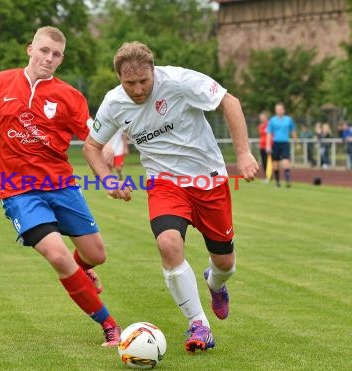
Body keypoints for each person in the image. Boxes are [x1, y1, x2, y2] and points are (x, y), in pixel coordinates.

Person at [0, 26, 121, 347]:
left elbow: (96, 140)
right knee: (57, 255)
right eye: (43, 51)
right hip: (17, 189)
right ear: (30, 49)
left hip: (62, 185)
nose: (48, 59)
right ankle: (108, 324)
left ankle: (83, 270)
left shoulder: (70, 96)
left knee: (96, 254)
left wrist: (111, 161)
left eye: (56, 55)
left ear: (61, 59)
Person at [83, 42, 259, 353]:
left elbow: (229, 102)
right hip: (165, 183)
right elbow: (91, 146)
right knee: (168, 243)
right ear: (119, 78)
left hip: (209, 180)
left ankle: (215, 283)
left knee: (225, 262)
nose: (138, 90)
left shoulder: (179, 81)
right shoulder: (113, 103)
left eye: (143, 81)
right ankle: (198, 324)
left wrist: (243, 154)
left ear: (153, 71)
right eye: (130, 83)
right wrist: (107, 179)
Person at [266, 102, 297, 187]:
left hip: (285, 143)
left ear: (284, 110)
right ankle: (277, 181)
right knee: (275, 162)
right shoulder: (272, 120)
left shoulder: (288, 120)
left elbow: (293, 130)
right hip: (275, 143)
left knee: (286, 161)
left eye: (280, 109)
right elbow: (269, 133)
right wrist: (268, 145)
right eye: (277, 109)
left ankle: (288, 180)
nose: (279, 111)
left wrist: (295, 140)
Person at [257, 112, 270, 178]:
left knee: (269, 161)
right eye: (260, 117)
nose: (261, 118)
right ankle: (266, 176)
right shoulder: (260, 126)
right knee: (264, 161)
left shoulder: (269, 125)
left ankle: (270, 176)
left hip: (268, 146)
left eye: (262, 117)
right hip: (262, 146)